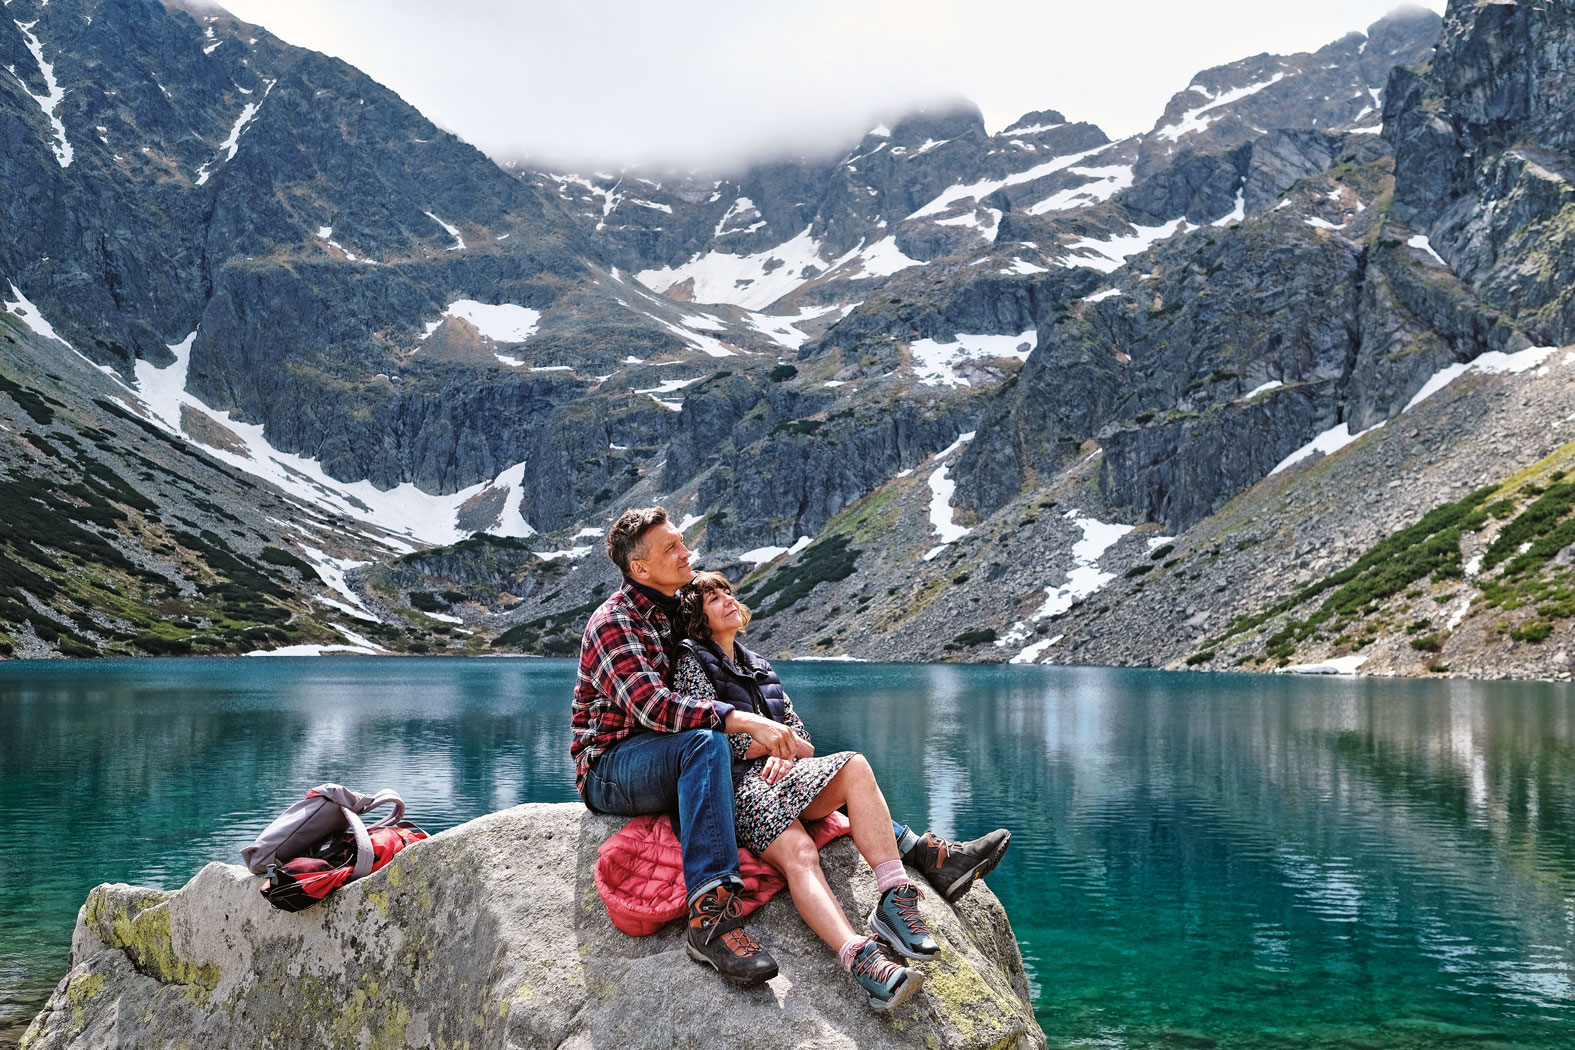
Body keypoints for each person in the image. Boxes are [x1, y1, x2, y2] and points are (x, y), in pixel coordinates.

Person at [672, 569, 1012, 1012]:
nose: (727, 601)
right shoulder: (690, 662)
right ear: (699, 619)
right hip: (735, 788)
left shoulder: (760, 667)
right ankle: (862, 960)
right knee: (800, 854)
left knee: (855, 766)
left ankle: (893, 898)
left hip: (786, 776)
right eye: (713, 599)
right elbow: (707, 734)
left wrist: (781, 747)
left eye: (728, 592)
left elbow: (804, 741)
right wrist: (772, 743)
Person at [571, 507, 805, 987]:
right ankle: (712, 920)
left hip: (666, 753)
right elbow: (652, 707)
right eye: (672, 548)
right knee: (705, 743)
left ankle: (908, 843)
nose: (687, 553)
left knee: (716, 748)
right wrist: (740, 719)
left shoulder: (673, 609)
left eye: (682, 542)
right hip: (609, 767)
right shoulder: (613, 620)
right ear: (639, 569)